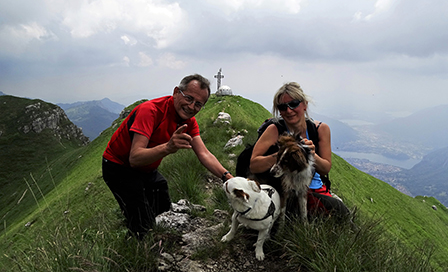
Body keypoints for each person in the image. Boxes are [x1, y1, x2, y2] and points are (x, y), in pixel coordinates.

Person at [102, 74, 233, 238]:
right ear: (176, 92)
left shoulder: (189, 122)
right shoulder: (150, 111)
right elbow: (134, 158)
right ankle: (138, 248)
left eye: (198, 104)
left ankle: (149, 231)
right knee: (142, 221)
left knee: (162, 206)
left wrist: (228, 177)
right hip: (119, 167)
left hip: (147, 168)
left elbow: (204, 153)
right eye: (188, 98)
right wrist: (168, 147)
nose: (191, 106)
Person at [249, 82, 349, 219]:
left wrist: (311, 154)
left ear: (304, 104)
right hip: (285, 188)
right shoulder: (274, 129)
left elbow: (325, 168)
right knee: (334, 210)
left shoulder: (320, 129)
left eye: (294, 104)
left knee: (341, 214)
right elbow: (254, 165)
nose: (289, 110)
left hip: (313, 187)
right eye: (282, 107)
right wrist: (285, 154)